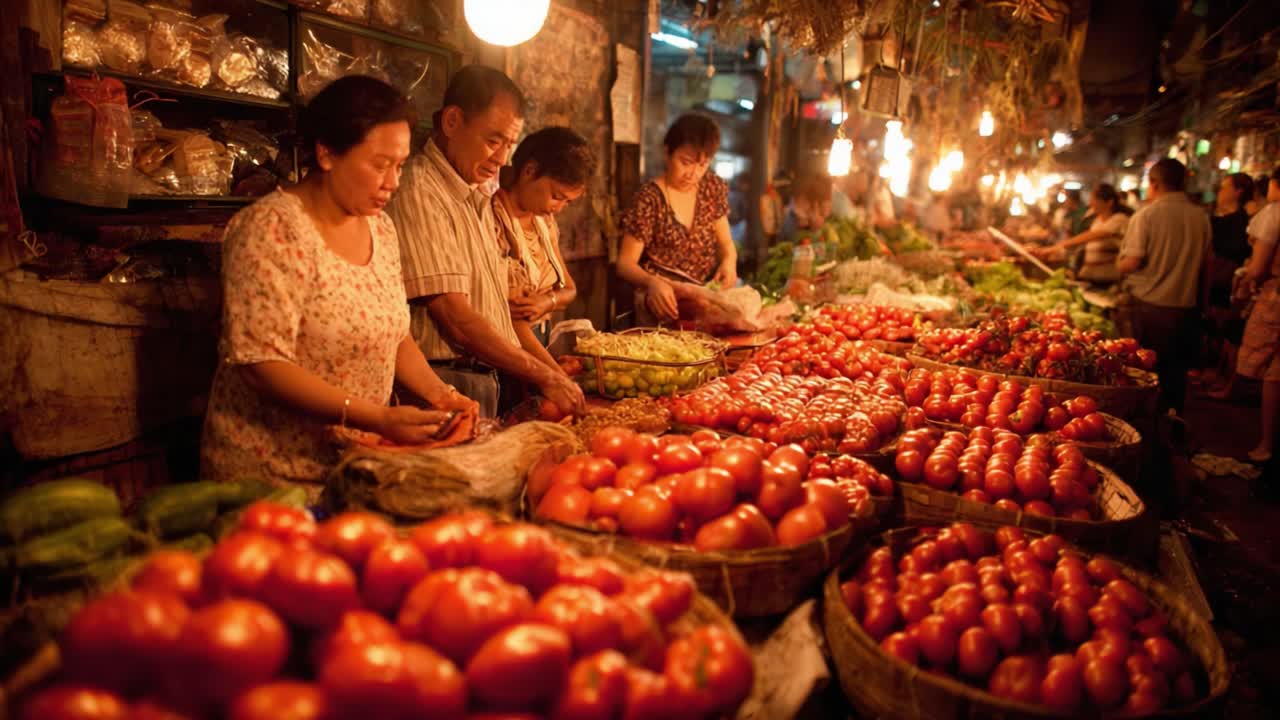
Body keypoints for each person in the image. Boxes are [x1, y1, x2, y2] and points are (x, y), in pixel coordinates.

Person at [200, 76, 476, 494]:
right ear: (327, 152)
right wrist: (377, 418)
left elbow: (395, 335)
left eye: (400, 165)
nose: (394, 183)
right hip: (272, 478)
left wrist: (442, 396)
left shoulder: (381, 229)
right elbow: (262, 365)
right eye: (380, 164)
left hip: (353, 467)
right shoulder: (270, 229)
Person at [388, 65, 585, 418]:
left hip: (484, 376)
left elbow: (498, 315)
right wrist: (544, 375)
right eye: (493, 141)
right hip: (442, 382)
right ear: (452, 123)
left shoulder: (475, 194)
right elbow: (456, 318)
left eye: (509, 145)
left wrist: (551, 375)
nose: (502, 159)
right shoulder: (422, 191)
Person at [491, 126, 594, 369]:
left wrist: (546, 302)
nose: (560, 208)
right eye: (557, 196)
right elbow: (516, 321)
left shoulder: (544, 222)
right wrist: (554, 374)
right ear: (529, 171)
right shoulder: (494, 220)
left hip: (539, 347)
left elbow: (569, 289)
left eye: (567, 201)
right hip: (508, 355)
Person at [618, 113, 736, 323]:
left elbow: (726, 243)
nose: (693, 174)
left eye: (702, 165)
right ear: (667, 153)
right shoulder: (649, 198)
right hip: (658, 306)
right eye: (686, 162)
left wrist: (729, 261)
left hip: (700, 305)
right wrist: (652, 282)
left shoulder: (711, 188)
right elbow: (626, 264)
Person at [1116, 158, 1213, 414]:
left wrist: (1119, 264)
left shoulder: (1146, 215)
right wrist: (1202, 308)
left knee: (1145, 376)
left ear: (1154, 183)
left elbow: (1132, 261)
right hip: (1185, 309)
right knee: (1175, 377)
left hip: (1151, 309)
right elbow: (1206, 268)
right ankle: (1173, 428)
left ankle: (1149, 434)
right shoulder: (1200, 217)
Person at [1235, 167, 1280, 463]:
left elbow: (1258, 267)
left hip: (1275, 299)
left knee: (1273, 373)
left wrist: (1245, 281)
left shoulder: (1274, 213)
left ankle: (1267, 445)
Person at [1201, 174, 1253, 395]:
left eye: (1224, 188)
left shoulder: (1242, 222)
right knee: (1215, 330)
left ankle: (1226, 381)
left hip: (1227, 284)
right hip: (1216, 281)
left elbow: (1235, 252)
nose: (1219, 192)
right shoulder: (1222, 219)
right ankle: (1215, 373)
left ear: (1238, 192)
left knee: (1228, 332)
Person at [1033, 184, 1128, 286]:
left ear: (1109, 202)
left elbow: (1090, 236)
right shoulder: (1096, 221)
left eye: (1094, 200)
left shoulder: (1120, 219)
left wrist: (1056, 247)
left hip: (1108, 280)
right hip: (1089, 277)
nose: (1090, 204)